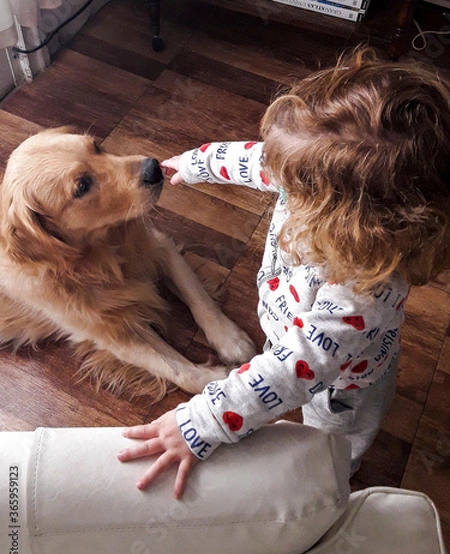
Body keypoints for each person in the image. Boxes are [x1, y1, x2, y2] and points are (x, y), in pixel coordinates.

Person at [117, 48, 450, 499]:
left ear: (348, 224)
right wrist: (196, 163)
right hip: (294, 325)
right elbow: (258, 161)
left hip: (340, 386)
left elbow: (295, 368)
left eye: (289, 182)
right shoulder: (308, 170)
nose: (273, 175)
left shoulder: (361, 296)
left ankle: (338, 473)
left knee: (330, 442)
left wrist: (203, 421)